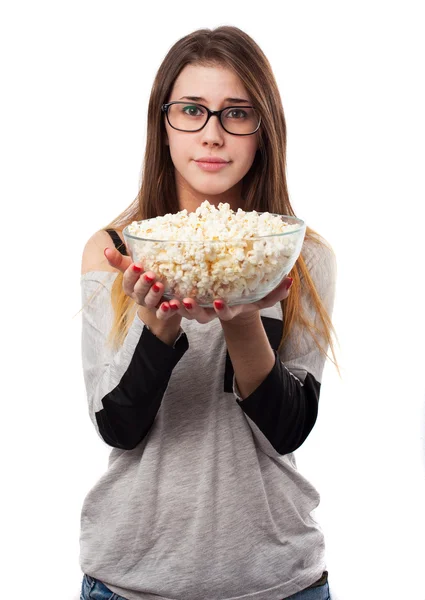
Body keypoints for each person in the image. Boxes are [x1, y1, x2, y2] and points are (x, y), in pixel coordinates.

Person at [79, 25, 339, 600]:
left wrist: (242, 318)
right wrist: (159, 330)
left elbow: (287, 429)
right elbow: (116, 426)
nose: (213, 135)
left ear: (263, 130)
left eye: (237, 113)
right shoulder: (113, 251)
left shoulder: (300, 254)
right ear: (162, 124)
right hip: (130, 580)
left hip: (280, 580)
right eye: (192, 110)